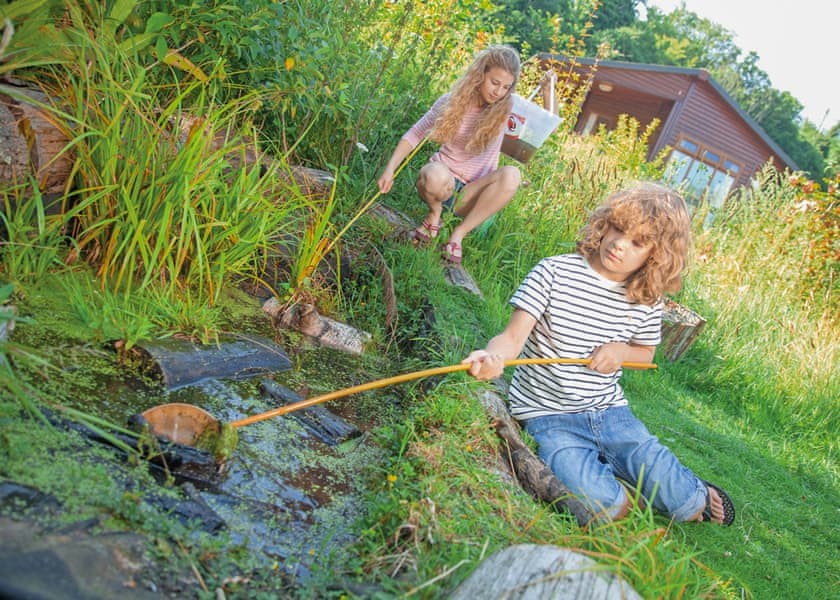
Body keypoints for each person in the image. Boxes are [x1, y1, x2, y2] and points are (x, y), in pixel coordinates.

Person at [462, 183, 735, 526]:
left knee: (687, 506)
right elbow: (511, 338)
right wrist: (492, 358)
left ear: (656, 255)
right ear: (605, 222)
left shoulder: (646, 297)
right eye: (618, 229)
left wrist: (621, 351)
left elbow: (646, 355)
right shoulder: (554, 272)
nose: (620, 244)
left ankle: (687, 490)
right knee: (602, 505)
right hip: (550, 418)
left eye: (637, 242)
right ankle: (621, 485)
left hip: (611, 413)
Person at [377, 45, 522, 264]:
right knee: (433, 173)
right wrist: (390, 169)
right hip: (443, 184)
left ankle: (458, 235)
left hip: (472, 194)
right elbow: (415, 133)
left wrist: (549, 90)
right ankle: (434, 215)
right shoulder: (452, 101)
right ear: (481, 73)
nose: (498, 92)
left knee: (512, 175)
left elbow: (546, 124)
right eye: (494, 82)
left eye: (505, 87)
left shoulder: (508, 110)